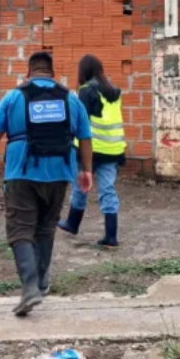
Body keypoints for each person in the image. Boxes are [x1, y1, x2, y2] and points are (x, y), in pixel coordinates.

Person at [0, 52, 93, 316]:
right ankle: (41, 282)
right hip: (59, 173)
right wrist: (86, 171)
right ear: (51, 72)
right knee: (46, 228)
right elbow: (85, 138)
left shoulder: (13, 97)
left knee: (20, 230)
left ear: (29, 73)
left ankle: (29, 288)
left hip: (21, 173)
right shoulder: (71, 99)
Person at [57, 55, 127, 247]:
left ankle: (72, 223)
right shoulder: (113, 91)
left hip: (91, 149)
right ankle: (111, 236)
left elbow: (80, 121)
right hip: (113, 149)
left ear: (84, 71)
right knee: (108, 189)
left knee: (80, 185)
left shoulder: (86, 90)